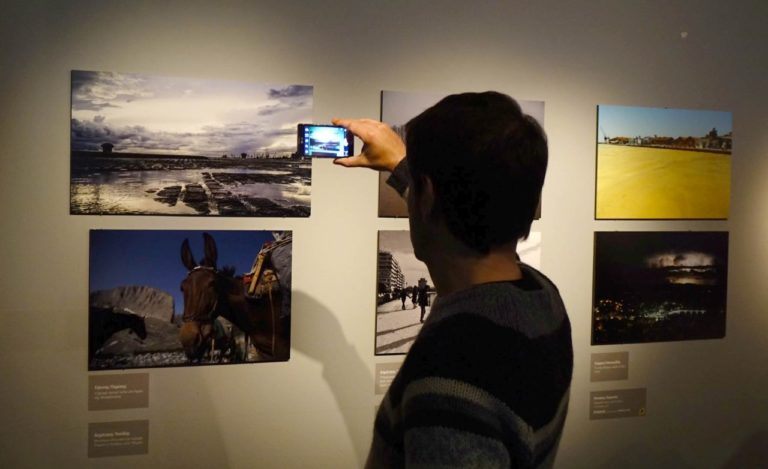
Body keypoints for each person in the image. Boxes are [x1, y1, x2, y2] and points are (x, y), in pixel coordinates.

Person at [333, 91, 573, 468]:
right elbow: (484, 203)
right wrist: (403, 166)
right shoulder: (542, 297)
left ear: (426, 196)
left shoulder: (452, 371)